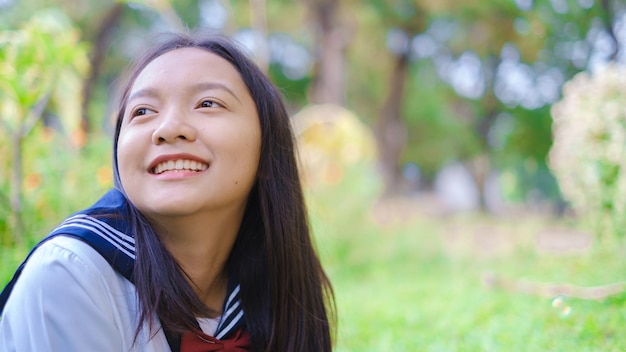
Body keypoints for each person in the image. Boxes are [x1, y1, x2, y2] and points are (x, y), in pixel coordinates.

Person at [0, 33, 335, 351]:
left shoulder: (275, 288)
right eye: (142, 111)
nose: (169, 128)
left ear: (266, 145)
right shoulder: (72, 276)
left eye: (207, 103)